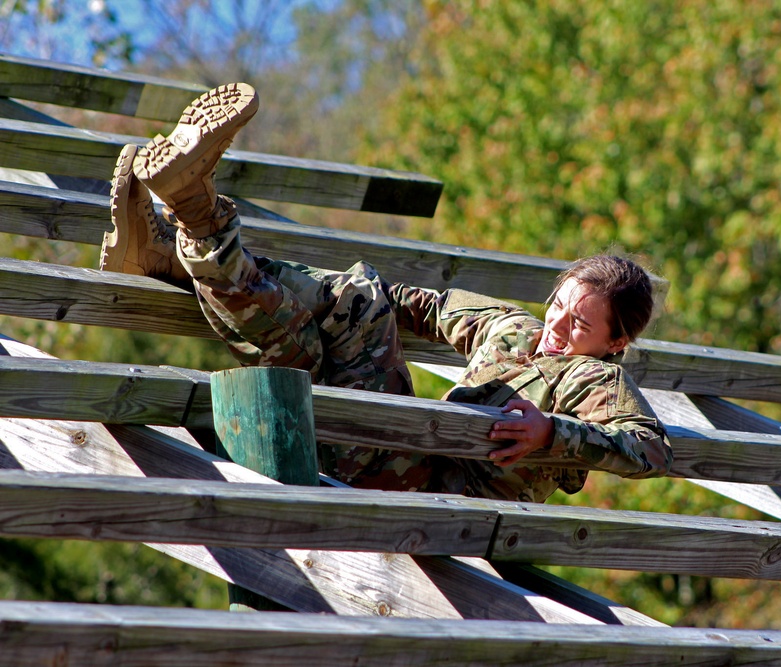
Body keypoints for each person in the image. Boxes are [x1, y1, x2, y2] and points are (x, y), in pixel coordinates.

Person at [100, 83, 672, 502]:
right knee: (351, 302)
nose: (557, 328)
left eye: (579, 326)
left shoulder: (597, 380)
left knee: (343, 313)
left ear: (614, 340)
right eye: (559, 307)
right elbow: (417, 302)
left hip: (427, 494)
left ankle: (189, 236)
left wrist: (552, 432)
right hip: (365, 439)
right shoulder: (511, 328)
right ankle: (193, 232)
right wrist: (336, 293)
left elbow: (650, 451)